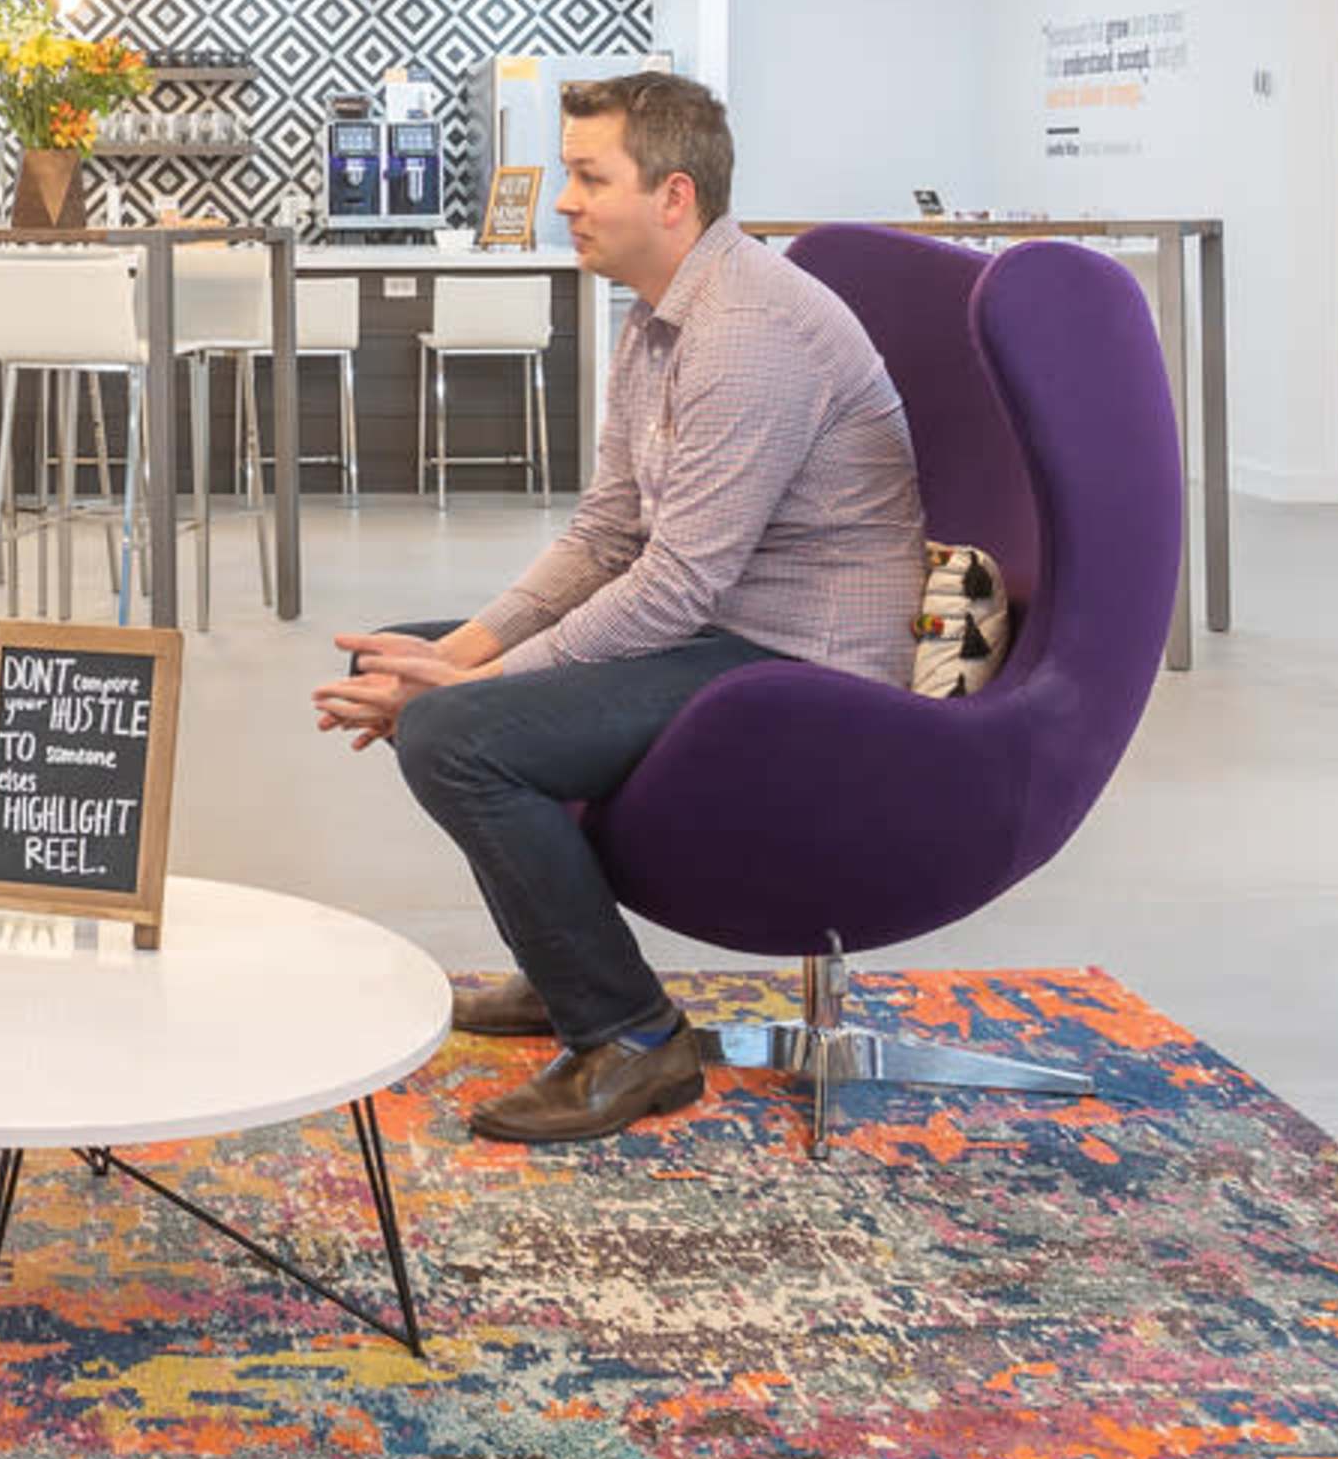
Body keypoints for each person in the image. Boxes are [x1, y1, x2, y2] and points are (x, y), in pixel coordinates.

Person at [311, 72, 922, 1147]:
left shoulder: (747, 334)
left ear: (673, 196)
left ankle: (635, 1037)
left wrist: (470, 688)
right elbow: (605, 533)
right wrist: (446, 655)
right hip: (721, 630)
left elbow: (675, 582)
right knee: (414, 664)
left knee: (459, 734)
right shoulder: (657, 321)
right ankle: (564, 975)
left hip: (800, 670)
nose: (564, 201)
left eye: (590, 178)